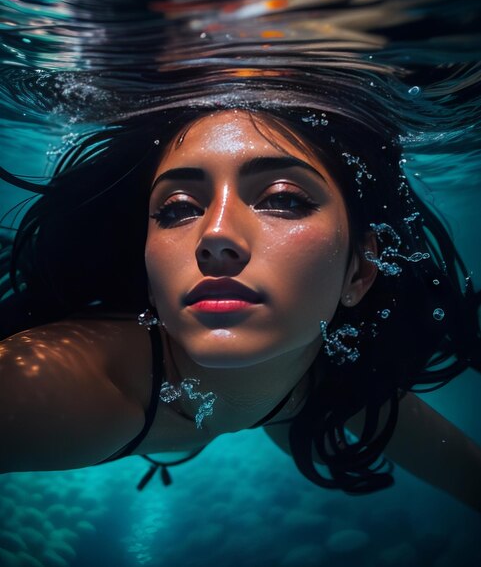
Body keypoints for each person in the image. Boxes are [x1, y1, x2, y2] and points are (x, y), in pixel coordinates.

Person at [0, 70, 480, 511]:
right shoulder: (77, 383)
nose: (215, 237)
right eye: (177, 208)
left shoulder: (329, 380)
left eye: (282, 200)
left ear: (360, 270)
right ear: (148, 273)